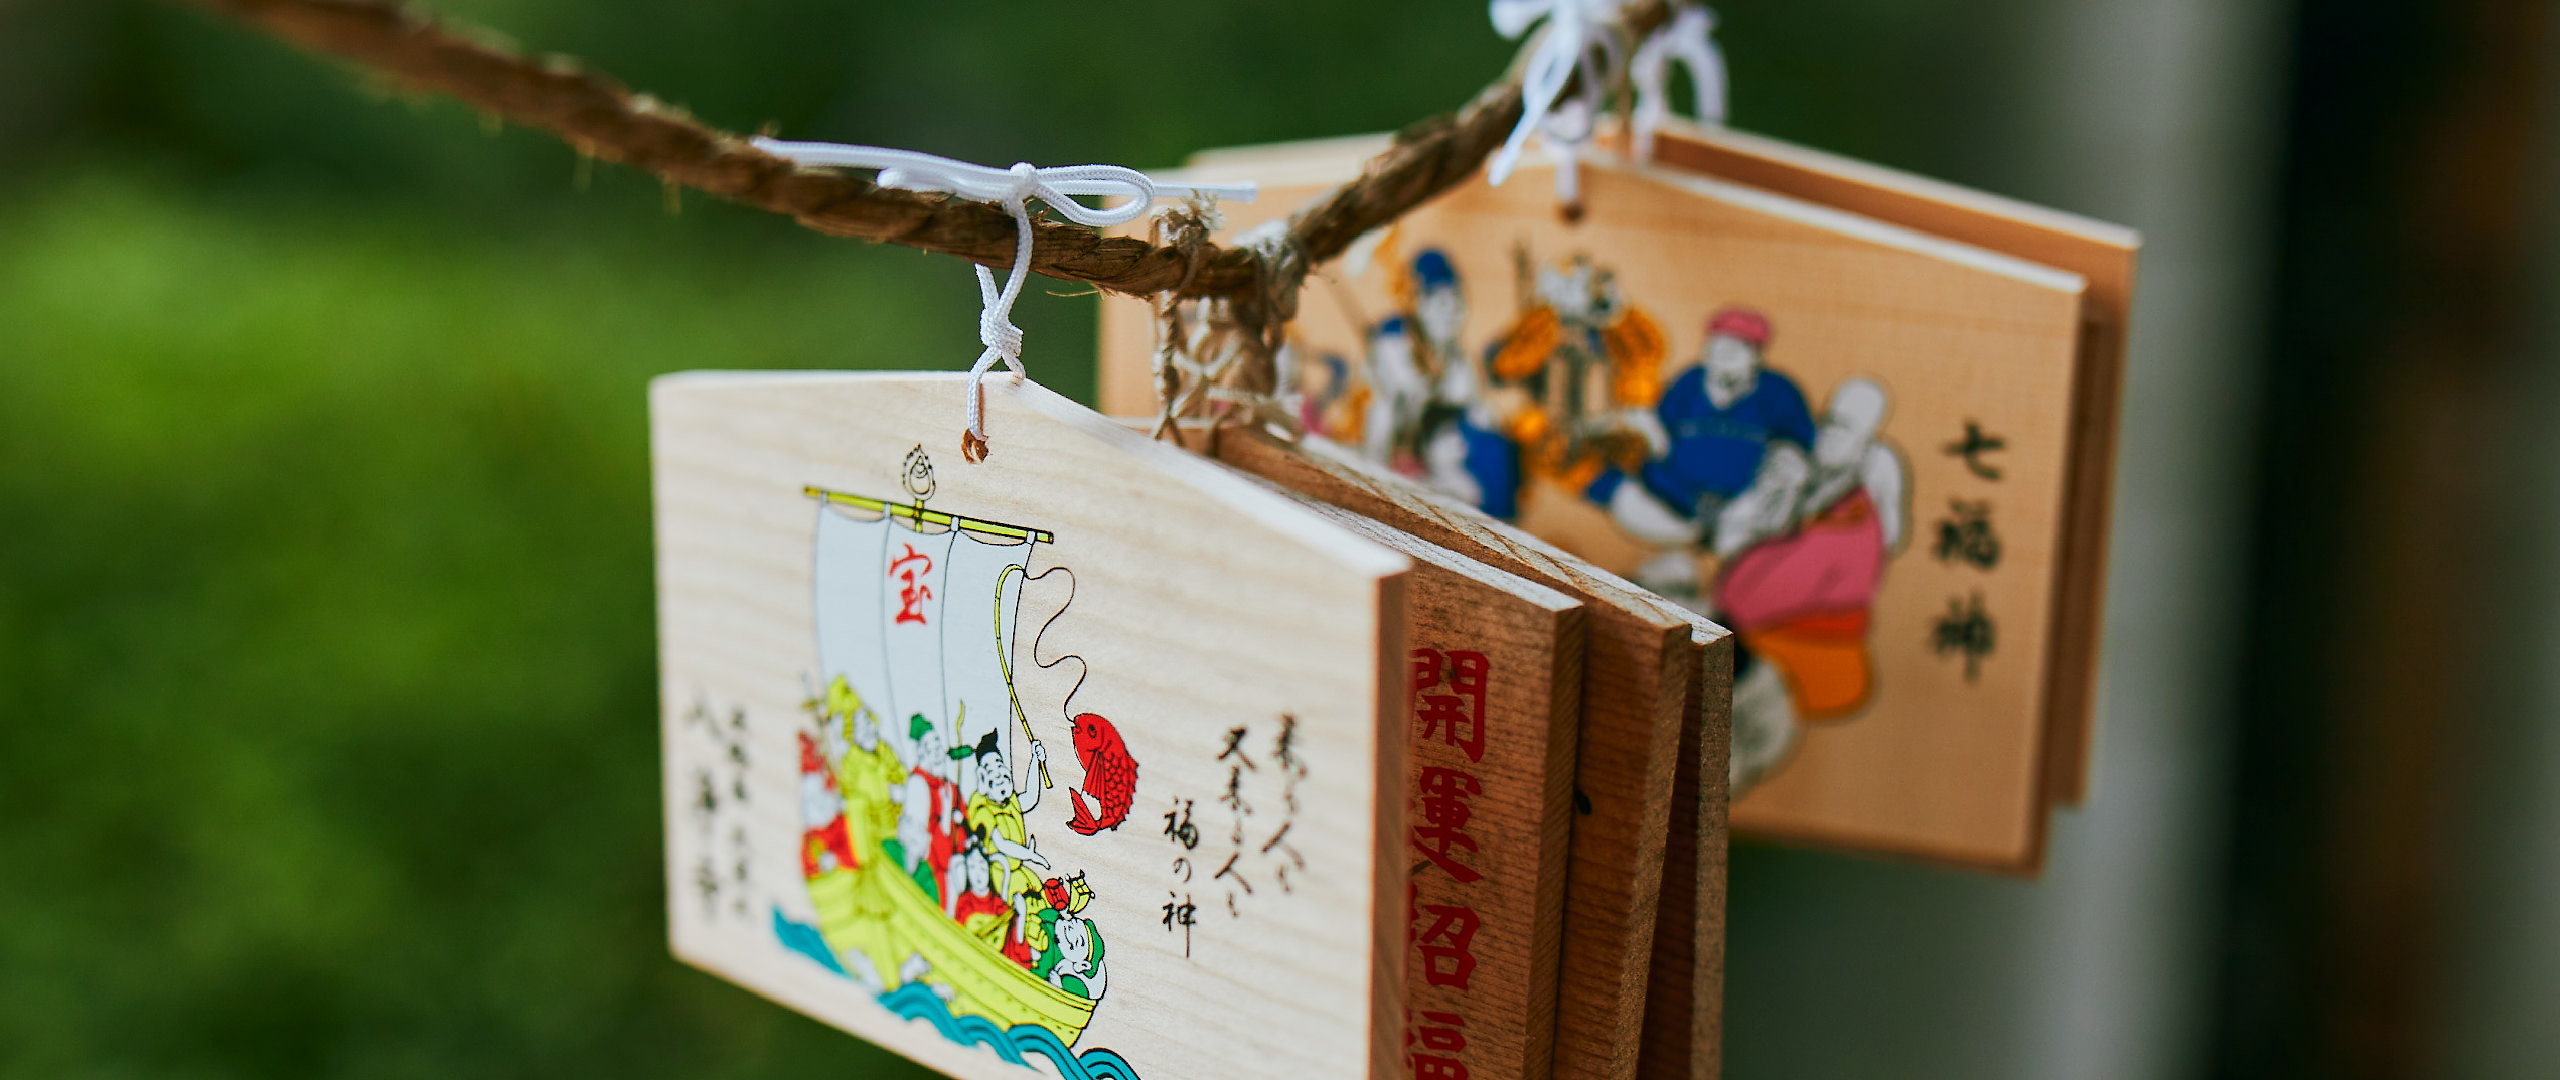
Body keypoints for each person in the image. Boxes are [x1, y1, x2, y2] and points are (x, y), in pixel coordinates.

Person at [1588, 306, 1815, 594]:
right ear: (1707, 349)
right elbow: (1659, 442)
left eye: (1737, 348)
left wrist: (1752, 502)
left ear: (1756, 356)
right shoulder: (1689, 383)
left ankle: (1715, 574)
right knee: (1618, 490)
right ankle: (1673, 571)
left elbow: (1796, 454)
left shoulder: (1779, 392)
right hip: (1677, 507)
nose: (1725, 355)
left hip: (1743, 514)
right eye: (1718, 346)